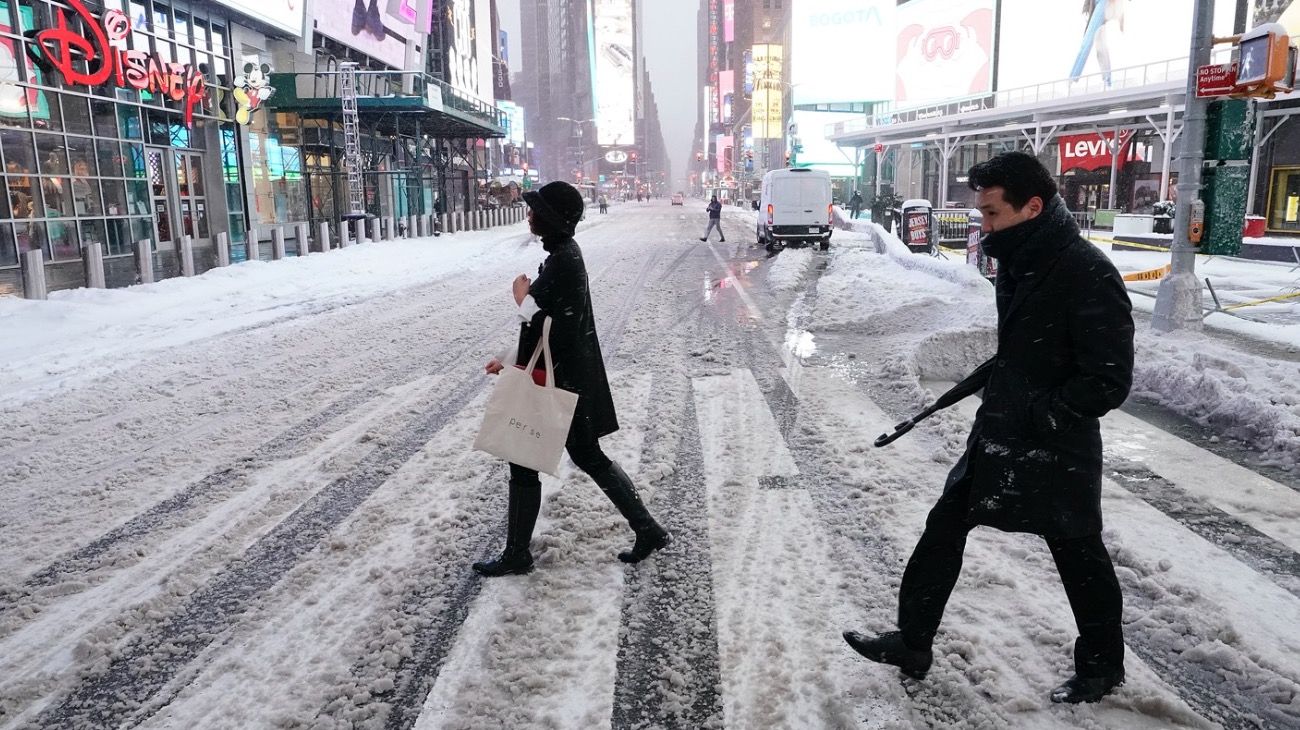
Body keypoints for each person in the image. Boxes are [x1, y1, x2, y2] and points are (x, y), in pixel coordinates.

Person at [843, 151, 1134, 705]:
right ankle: (913, 642)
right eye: (982, 214)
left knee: (1078, 552)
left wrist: (1039, 413)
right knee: (943, 529)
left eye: (994, 214)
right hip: (1000, 431)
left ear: (1033, 206)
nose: (986, 227)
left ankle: (1101, 668)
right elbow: (1026, 346)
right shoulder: (1023, 258)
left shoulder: (1086, 272)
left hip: (1054, 443)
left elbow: (1109, 380)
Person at [474, 181, 671, 577]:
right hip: (564, 377)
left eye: (536, 211)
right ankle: (647, 528)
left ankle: (518, 553)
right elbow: (546, 329)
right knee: (572, 457)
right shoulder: (562, 255)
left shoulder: (564, 259)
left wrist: (521, 298)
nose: (529, 215)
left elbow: (550, 324)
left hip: (563, 382)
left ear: (551, 219)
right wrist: (509, 359)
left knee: (534, 458)